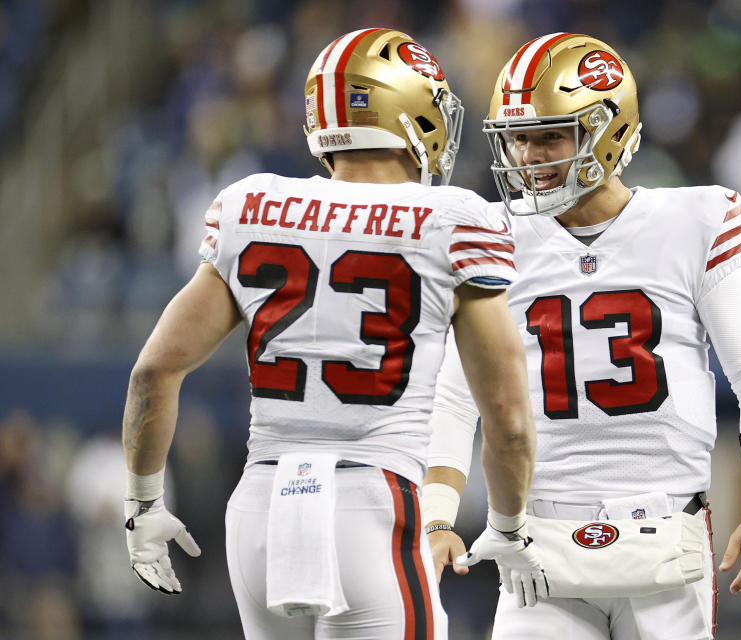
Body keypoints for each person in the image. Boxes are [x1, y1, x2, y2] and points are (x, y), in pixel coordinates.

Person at [120, 28, 546, 640]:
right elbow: (506, 414)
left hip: (259, 506)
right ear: (410, 111)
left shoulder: (252, 205)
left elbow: (153, 373)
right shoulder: (453, 219)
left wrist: (142, 503)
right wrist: (507, 526)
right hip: (369, 503)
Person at [422, 33, 741, 640]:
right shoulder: (493, 235)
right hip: (534, 535)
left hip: (666, 528)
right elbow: (456, 393)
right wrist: (437, 516)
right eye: (519, 137)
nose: (529, 155)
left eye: (550, 135)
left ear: (610, 130)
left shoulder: (694, 222)